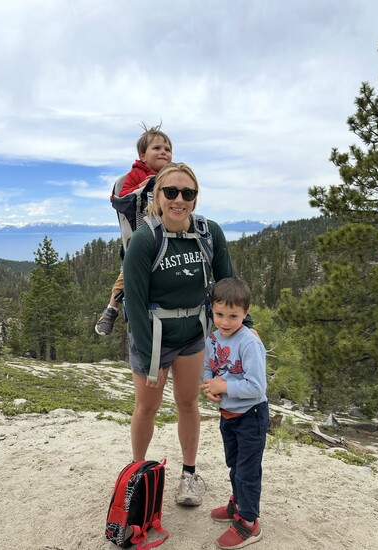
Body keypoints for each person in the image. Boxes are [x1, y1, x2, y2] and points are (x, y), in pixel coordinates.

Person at [123, 162, 255, 507]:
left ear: (195, 197)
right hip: (153, 337)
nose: (179, 199)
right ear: (158, 196)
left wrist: (246, 327)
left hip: (193, 336)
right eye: (171, 192)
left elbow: (227, 283)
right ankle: (136, 474)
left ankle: (189, 474)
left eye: (187, 193)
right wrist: (150, 359)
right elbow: (134, 303)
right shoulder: (144, 240)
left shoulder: (209, 233)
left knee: (188, 403)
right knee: (146, 408)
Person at [200, 277, 268, 549]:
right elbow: (209, 368)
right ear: (212, 310)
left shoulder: (249, 343)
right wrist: (210, 387)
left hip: (251, 415)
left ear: (245, 314)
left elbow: (257, 387)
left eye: (233, 316)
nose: (225, 322)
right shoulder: (212, 339)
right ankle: (238, 505)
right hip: (228, 414)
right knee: (235, 464)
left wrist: (224, 386)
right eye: (219, 314)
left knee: (247, 471)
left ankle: (249, 523)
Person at [95, 124, 173, 336]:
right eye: (157, 148)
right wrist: (143, 187)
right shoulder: (136, 174)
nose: (163, 152)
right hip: (141, 235)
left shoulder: (172, 175)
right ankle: (112, 308)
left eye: (167, 149)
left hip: (168, 236)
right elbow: (121, 198)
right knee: (129, 270)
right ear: (143, 156)